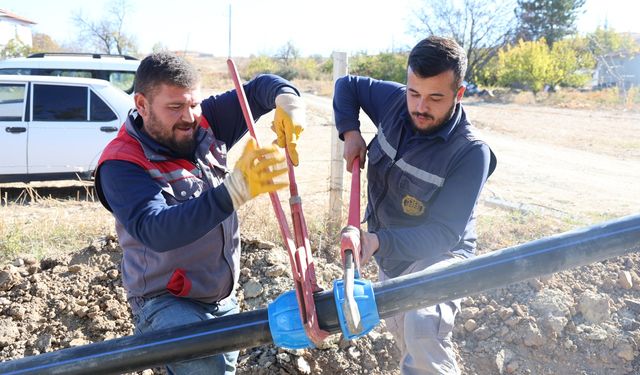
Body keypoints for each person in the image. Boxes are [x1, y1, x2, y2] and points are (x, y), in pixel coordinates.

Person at [94, 51, 305, 375]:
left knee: (221, 368)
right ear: (142, 104)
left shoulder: (203, 124)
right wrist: (233, 192)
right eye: (175, 107)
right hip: (164, 301)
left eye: (193, 104)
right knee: (207, 368)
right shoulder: (122, 163)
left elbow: (260, 88)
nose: (189, 116)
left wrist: (288, 102)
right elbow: (156, 230)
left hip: (219, 296)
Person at [334, 36, 497, 374]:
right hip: (391, 256)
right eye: (414, 93)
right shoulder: (396, 103)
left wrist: (378, 241)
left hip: (440, 255)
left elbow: (443, 234)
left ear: (459, 94)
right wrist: (350, 132)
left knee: (423, 328)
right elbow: (346, 86)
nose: (421, 107)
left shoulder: (470, 153)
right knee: (408, 340)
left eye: (436, 97)